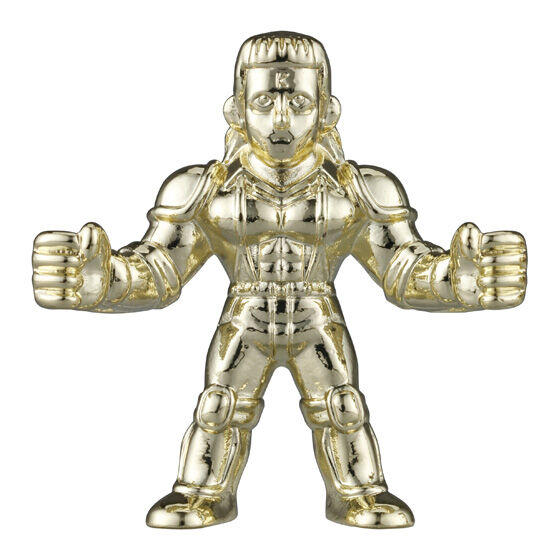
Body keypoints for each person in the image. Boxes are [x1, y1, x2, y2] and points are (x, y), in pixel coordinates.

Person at [32, 31, 527, 529]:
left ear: (328, 110)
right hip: (244, 318)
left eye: (300, 102)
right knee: (219, 408)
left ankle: (359, 492)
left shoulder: (360, 189)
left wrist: (456, 278)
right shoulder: (203, 189)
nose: (282, 121)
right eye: (265, 102)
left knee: (342, 408)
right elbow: (160, 269)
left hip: (318, 318)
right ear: (236, 109)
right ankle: (201, 492)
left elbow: (402, 268)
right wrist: (104, 279)